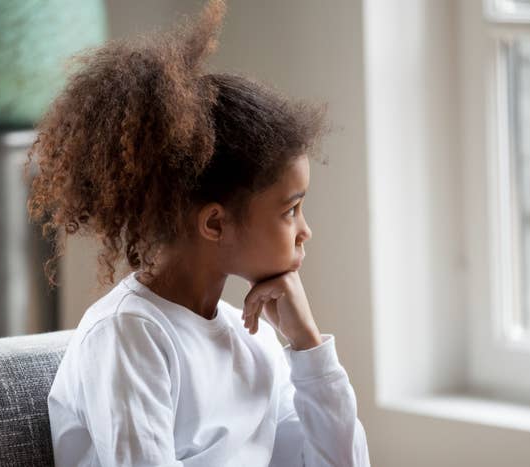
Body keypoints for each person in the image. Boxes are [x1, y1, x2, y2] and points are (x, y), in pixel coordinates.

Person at [27, 0, 370, 465]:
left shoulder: (255, 339)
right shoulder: (129, 336)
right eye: (291, 210)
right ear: (214, 223)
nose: (305, 231)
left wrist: (307, 346)